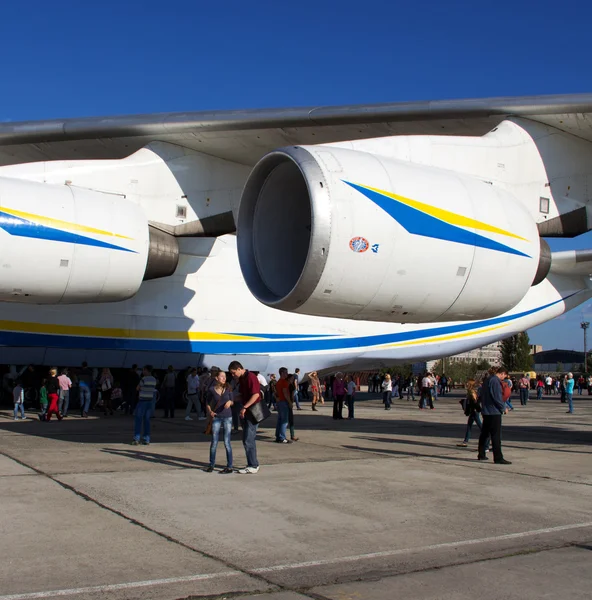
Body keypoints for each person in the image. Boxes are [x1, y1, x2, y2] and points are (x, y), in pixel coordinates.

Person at [228, 361, 261, 474]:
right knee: (247, 439)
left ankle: (253, 465)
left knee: (248, 439)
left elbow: (256, 394)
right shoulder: (242, 379)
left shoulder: (251, 377)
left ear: (239, 369)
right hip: (247, 411)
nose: (233, 375)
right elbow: (242, 395)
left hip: (253, 411)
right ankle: (252, 463)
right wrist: (231, 400)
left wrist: (245, 407)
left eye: (233, 373)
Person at [478, 367, 511, 464]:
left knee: (485, 434)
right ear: (502, 373)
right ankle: (498, 457)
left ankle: (481, 453)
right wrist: (503, 408)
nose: (504, 378)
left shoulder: (487, 380)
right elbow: (497, 397)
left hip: (486, 411)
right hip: (494, 411)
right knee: (496, 435)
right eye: (504, 376)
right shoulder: (495, 381)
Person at [206, 370, 234, 473]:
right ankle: (211, 464)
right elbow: (207, 402)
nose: (224, 378)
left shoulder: (228, 388)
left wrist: (230, 402)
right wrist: (210, 412)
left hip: (227, 417)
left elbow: (232, 400)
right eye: (222, 376)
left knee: (227, 442)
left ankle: (230, 466)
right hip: (217, 417)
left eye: (225, 376)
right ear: (216, 378)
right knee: (214, 441)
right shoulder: (212, 390)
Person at [132, 366, 157, 445]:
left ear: (147, 370)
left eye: (143, 370)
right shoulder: (154, 379)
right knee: (147, 420)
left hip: (142, 400)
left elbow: (137, 388)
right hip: (150, 401)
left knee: (138, 419)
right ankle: (147, 439)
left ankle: (137, 438)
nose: (143, 371)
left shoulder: (143, 379)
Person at [457, 379, 482, 447]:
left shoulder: (472, 392)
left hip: (474, 411)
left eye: (467, 384)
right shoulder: (470, 391)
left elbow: (475, 401)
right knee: (469, 426)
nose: (466, 385)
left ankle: (487, 438)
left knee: (479, 426)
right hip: (473, 411)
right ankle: (465, 441)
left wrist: (475, 408)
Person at [274, 367, 291, 443]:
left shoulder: (278, 382)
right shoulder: (284, 382)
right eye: (286, 372)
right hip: (283, 402)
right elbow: (285, 393)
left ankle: (278, 435)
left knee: (280, 420)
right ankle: (282, 437)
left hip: (279, 402)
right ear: (282, 373)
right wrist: (290, 402)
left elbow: (276, 393)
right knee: (284, 421)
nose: (287, 374)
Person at [287, 373, 299, 441]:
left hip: (285, 402)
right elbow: (291, 395)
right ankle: (292, 435)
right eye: (292, 379)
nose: (292, 380)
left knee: (283, 420)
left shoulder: (286, 384)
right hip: (288, 403)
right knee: (289, 420)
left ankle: (279, 435)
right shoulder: (291, 386)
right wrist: (291, 402)